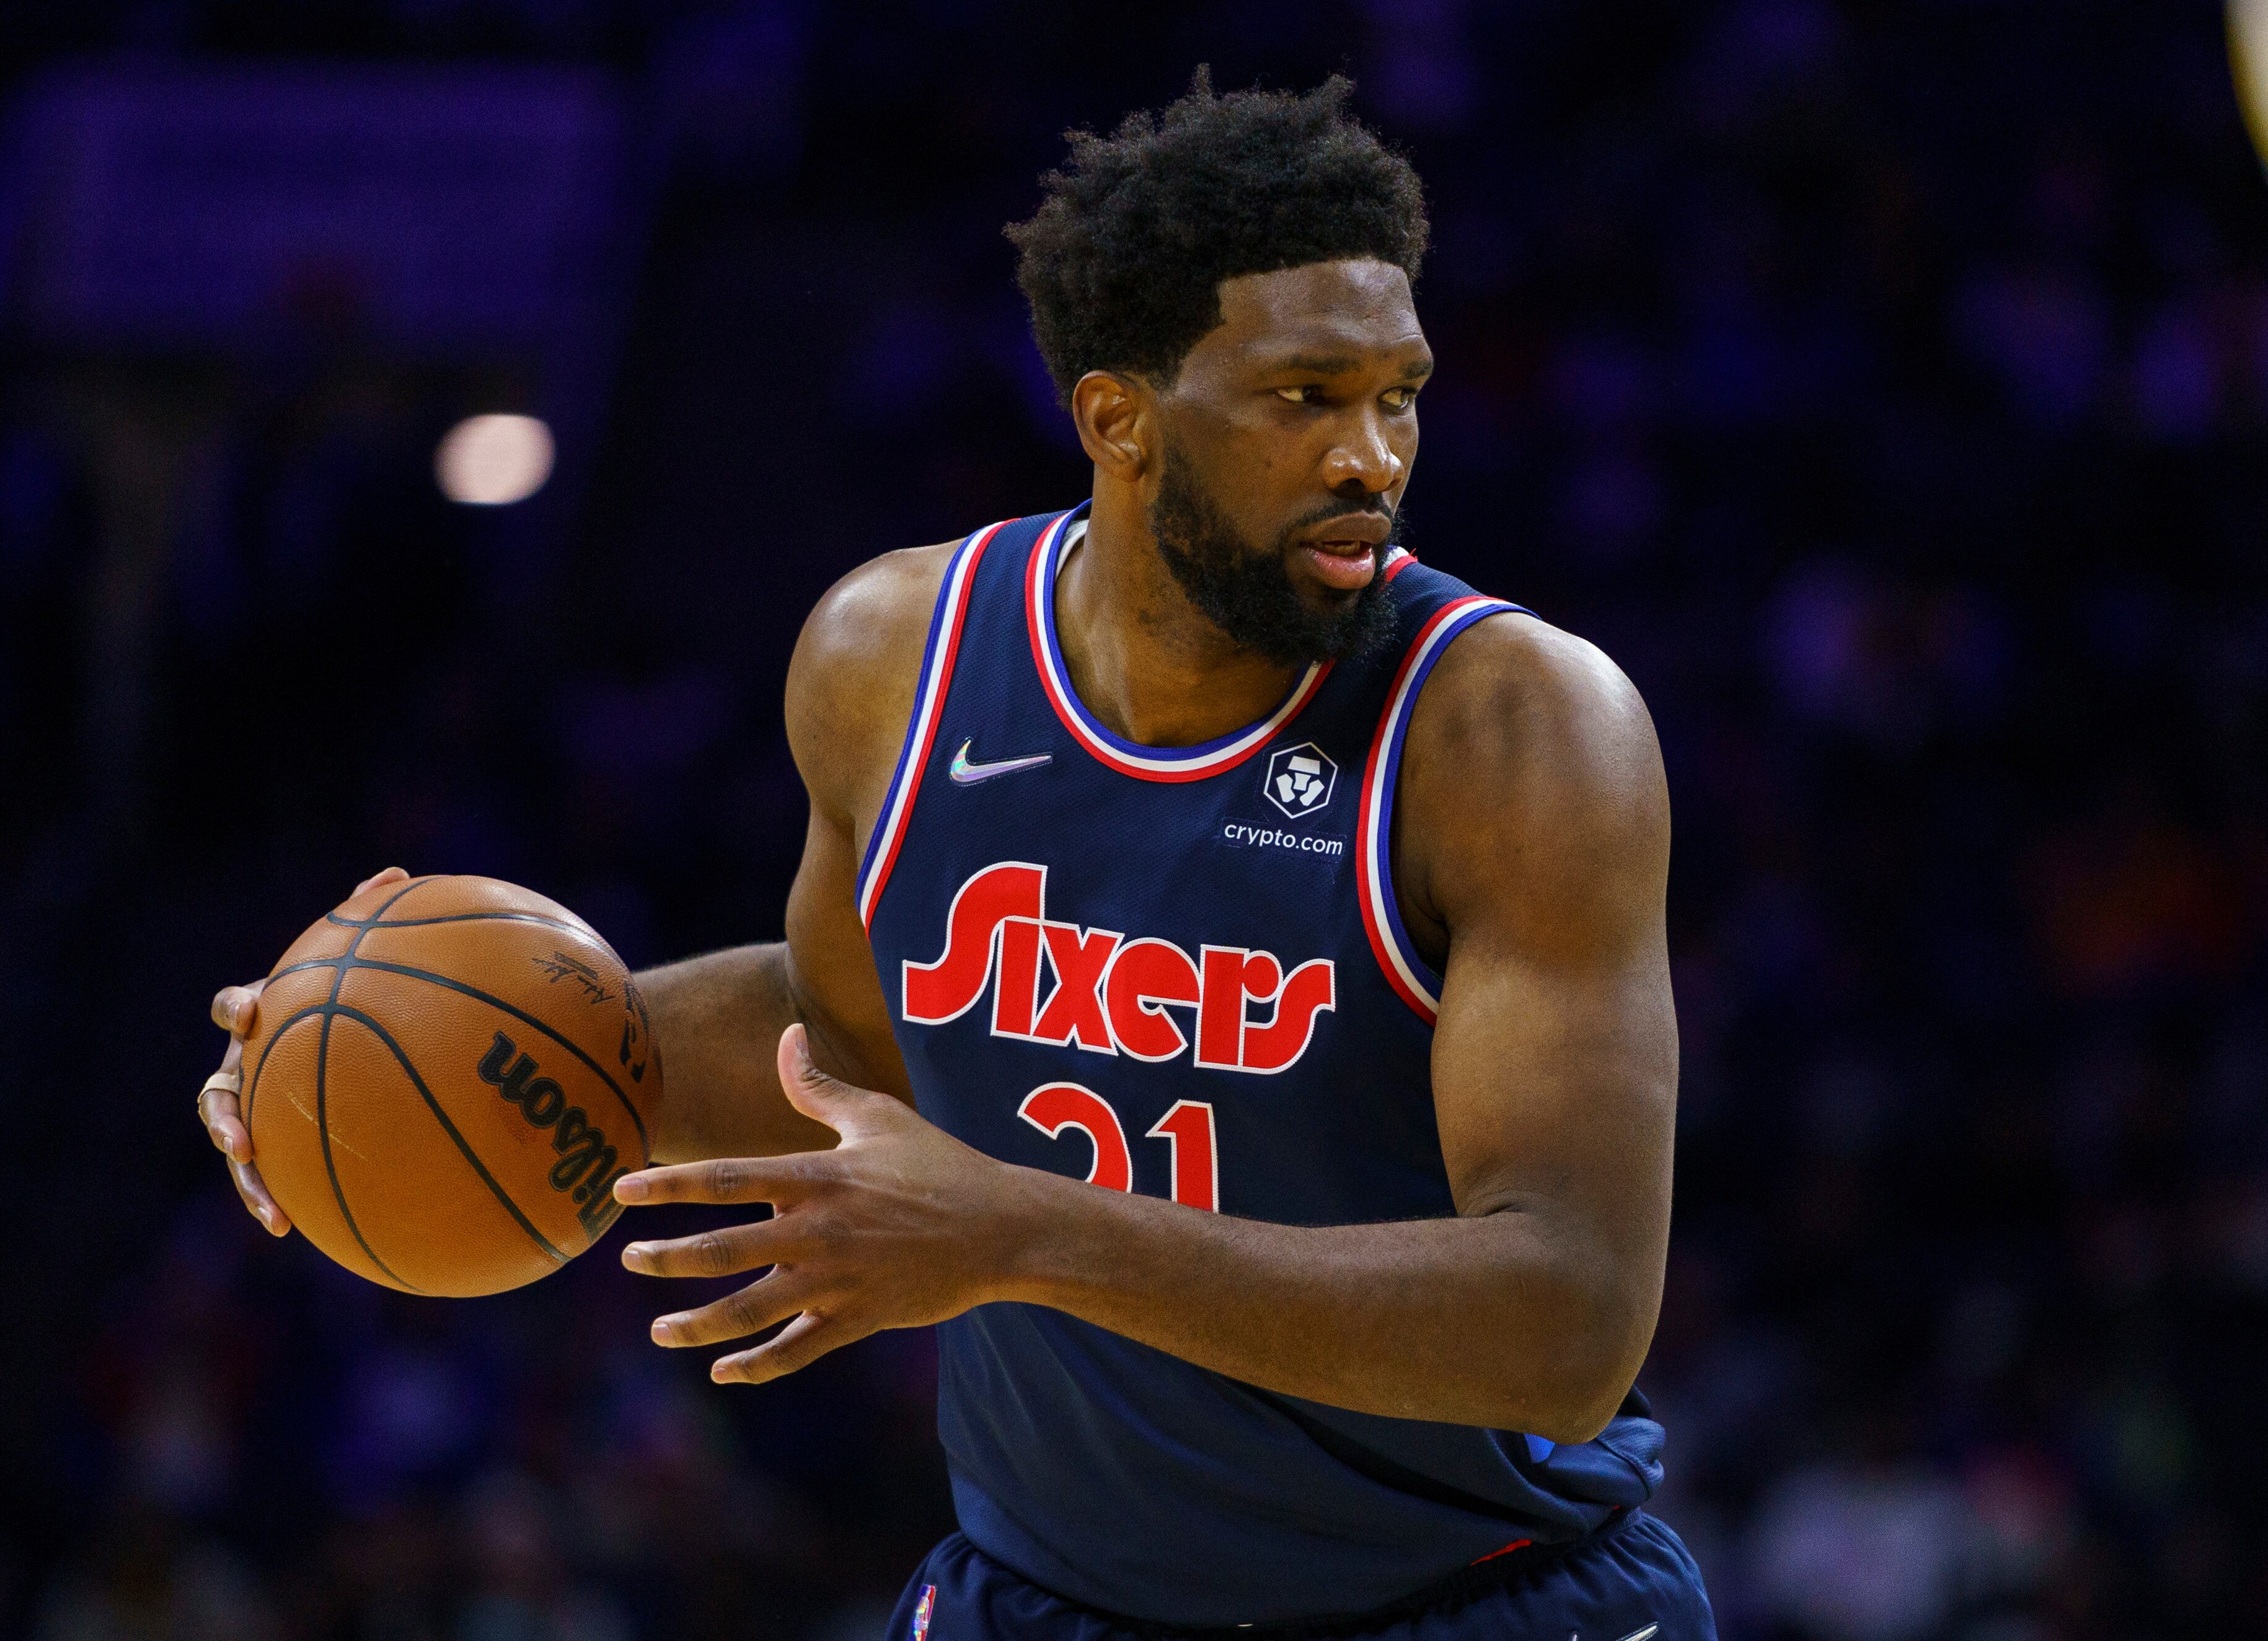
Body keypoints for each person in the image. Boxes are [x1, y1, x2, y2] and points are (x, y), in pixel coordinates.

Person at [195, 73, 1711, 1641]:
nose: (1371, 456)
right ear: (1118, 419)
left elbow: (1565, 1319)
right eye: (1303, 396)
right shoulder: (890, 661)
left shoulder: (1516, 730)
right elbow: (857, 1040)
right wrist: (372, 1053)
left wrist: (1013, 1231)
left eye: (1399, 393)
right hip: (1045, 1600)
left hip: (1475, 1602)